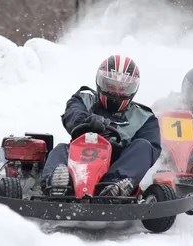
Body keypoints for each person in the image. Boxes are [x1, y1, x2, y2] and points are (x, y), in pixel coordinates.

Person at [40, 55, 162, 201]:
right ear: (101, 82)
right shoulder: (84, 98)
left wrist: (119, 142)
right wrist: (86, 122)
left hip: (118, 163)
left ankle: (115, 187)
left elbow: (151, 148)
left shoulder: (144, 117)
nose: (116, 93)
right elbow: (72, 114)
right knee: (60, 149)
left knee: (144, 147)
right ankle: (57, 185)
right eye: (111, 86)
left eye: (122, 88)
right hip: (80, 158)